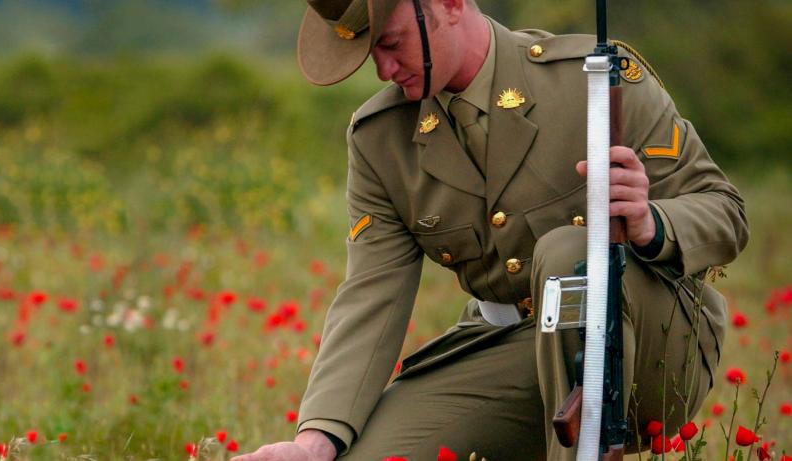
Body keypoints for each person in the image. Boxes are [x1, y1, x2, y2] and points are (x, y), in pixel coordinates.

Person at [234, 0, 749, 460]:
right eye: (372, 54)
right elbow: (372, 290)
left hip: (652, 346)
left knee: (570, 251)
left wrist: (648, 222)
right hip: (510, 348)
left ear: (451, 4)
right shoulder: (380, 139)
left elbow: (726, 212)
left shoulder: (592, 80)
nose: (384, 71)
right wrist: (314, 441)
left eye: (391, 43)